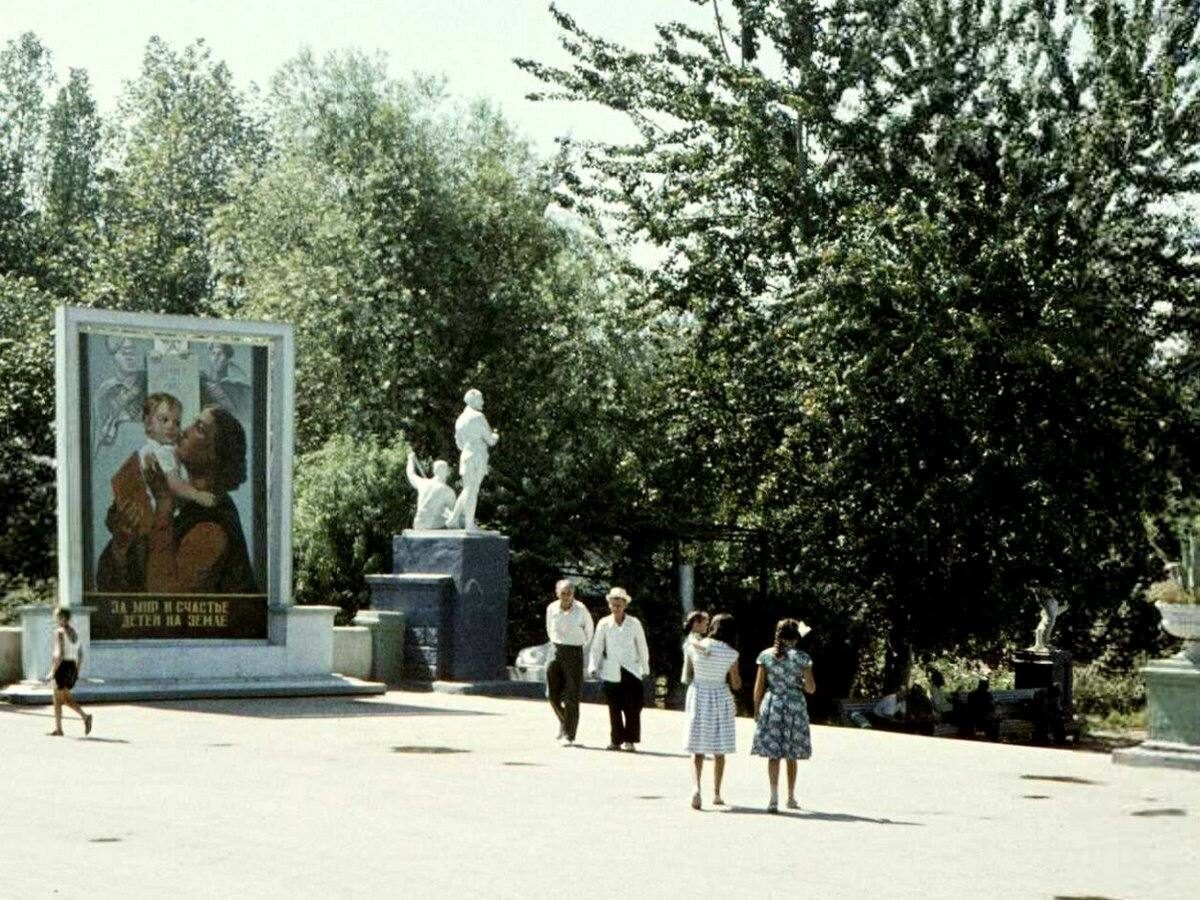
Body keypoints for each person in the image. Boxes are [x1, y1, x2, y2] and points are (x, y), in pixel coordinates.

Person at [98, 405, 257, 595]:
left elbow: (166, 599)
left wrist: (164, 503)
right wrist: (122, 541)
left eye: (199, 429)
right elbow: (111, 589)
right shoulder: (183, 503)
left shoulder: (212, 527)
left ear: (215, 454)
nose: (183, 431)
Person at [751, 618, 815, 813]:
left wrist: (756, 709)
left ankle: (773, 798)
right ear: (796, 637)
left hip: (773, 704)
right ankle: (791, 797)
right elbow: (811, 689)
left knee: (773, 753)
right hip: (795, 705)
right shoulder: (803, 658)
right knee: (791, 753)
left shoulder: (765, 656)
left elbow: (759, 687)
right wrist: (803, 680)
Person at [683, 612, 740, 810]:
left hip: (699, 694)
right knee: (719, 748)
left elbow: (689, 672)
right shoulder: (731, 653)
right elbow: (736, 683)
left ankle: (696, 789)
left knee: (697, 747)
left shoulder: (695, 646)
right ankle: (716, 793)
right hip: (720, 696)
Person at [590, 587, 651, 752]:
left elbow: (642, 646)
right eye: (613, 604)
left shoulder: (634, 623)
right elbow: (597, 647)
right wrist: (593, 666)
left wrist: (645, 667)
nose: (616, 607)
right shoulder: (604, 623)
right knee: (614, 708)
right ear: (609, 605)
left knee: (632, 707)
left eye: (619, 604)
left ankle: (630, 740)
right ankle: (615, 740)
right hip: (611, 671)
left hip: (631, 670)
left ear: (625, 605)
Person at [545, 579, 593, 745]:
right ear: (557, 593)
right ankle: (566, 722)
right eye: (563, 593)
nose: (566, 597)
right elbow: (549, 629)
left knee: (572, 695)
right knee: (551, 695)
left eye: (569, 593)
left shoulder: (581, 610)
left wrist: (580, 649)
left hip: (574, 651)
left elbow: (589, 631)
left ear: (573, 594)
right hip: (555, 649)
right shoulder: (552, 608)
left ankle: (569, 734)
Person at [446, 388, 499, 531]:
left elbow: (459, 443)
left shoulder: (460, 420)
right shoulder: (478, 416)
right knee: (471, 491)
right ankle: (469, 525)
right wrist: (496, 436)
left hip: (466, 455)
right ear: (473, 399)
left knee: (468, 489)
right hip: (477, 455)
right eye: (480, 398)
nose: (482, 401)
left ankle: (453, 518)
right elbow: (490, 440)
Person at [45, 608, 92, 737]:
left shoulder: (59, 632)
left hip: (62, 667)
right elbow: (81, 654)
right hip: (72, 666)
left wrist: (52, 672)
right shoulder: (75, 632)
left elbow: (59, 655)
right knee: (61, 698)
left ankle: (84, 717)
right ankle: (59, 728)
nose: (56, 619)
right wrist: (76, 671)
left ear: (62, 618)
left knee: (61, 698)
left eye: (57, 617)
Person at [405, 452, 456, 529]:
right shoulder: (449, 492)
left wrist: (410, 460)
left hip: (419, 524)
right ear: (445, 472)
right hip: (435, 526)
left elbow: (410, 474)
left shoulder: (423, 483)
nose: (448, 474)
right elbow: (453, 516)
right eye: (447, 471)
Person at [200, 342, 251, 417]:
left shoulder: (237, 386)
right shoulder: (204, 380)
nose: (215, 358)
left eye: (220, 354)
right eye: (213, 353)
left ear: (227, 358)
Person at [679, 609, 710, 686]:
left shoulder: (696, 637)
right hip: (693, 678)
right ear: (696, 623)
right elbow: (695, 645)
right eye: (705, 623)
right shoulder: (692, 638)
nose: (707, 626)